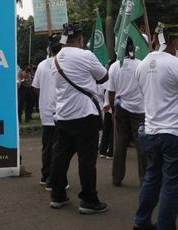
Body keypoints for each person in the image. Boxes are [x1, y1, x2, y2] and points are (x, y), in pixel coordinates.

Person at [133, 23, 178, 230]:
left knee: (152, 178)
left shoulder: (142, 64)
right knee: (172, 185)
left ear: (154, 39)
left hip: (151, 131)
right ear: (174, 42)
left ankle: (141, 223)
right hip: (176, 133)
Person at [49, 23, 108, 214]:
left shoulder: (55, 59)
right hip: (85, 114)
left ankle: (57, 195)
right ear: (81, 39)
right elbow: (104, 77)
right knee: (86, 159)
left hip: (64, 115)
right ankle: (89, 200)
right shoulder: (86, 55)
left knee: (60, 155)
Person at [108, 37, 146, 186]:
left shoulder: (115, 66)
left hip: (121, 108)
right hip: (140, 110)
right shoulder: (141, 65)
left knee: (119, 144)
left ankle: (117, 178)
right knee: (142, 145)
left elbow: (111, 92)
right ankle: (144, 179)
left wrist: (112, 109)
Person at [32, 34, 63, 189]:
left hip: (46, 110)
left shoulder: (42, 65)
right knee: (58, 147)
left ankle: (45, 175)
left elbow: (36, 87)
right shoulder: (63, 63)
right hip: (60, 111)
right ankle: (53, 179)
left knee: (47, 146)